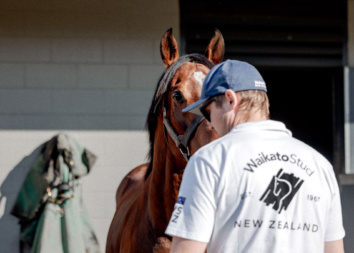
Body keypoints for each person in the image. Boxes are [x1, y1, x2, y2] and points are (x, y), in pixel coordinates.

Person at [165, 60, 345, 253]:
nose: (211, 125)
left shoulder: (208, 160)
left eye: (208, 113)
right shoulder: (320, 166)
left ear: (230, 100)